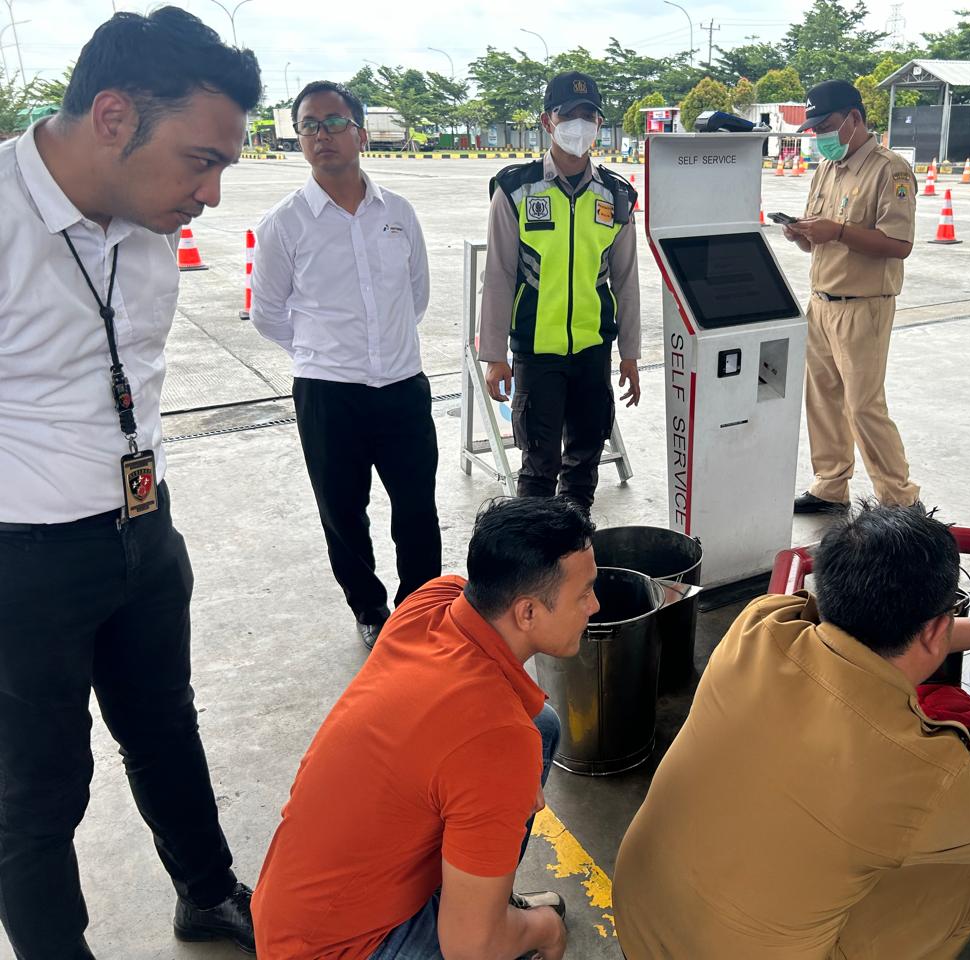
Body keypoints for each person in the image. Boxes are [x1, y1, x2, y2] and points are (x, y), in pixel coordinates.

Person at [0, 9, 261, 958]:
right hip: (21, 561)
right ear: (113, 116)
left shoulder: (151, 228)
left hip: (143, 531)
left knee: (164, 728)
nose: (212, 194)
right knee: (36, 795)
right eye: (200, 160)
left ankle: (207, 892)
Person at [614, 501, 970, 959]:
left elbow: (861, 637)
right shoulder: (921, 774)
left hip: (643, 921)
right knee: (967, 872)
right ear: (934, 628)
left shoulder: (760, 627)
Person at [252, 496, 596, 960]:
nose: (595, 605)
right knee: (491, 938)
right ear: (528, 613)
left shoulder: (436, 600)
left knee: (541, 726)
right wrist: (546, 930)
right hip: (342, 950)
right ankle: (492, 918)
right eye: (584, 593)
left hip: (289, 909)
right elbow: (471, 952)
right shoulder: (498, 741)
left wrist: (504, 787)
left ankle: (484, 904)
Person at [251, 81, 440, 649]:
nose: (321, 135)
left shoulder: (398, 213)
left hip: (403, 387)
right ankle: (370, 609)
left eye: (333, 122)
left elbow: (417, 295)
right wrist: (320, 353)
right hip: (328, 395)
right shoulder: (284, 223)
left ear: (360, 131)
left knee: (416, 508)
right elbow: (266, 313)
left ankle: (420, 607)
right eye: (309, 125)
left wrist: (381, 347)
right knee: (343, 513)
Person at [479, 71, 641, 512]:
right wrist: (494, 356)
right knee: (537, 469)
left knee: (584, 467)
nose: (580, 125)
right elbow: (497, 275)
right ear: (547, 122)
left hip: (593, 352)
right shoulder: (515, 189)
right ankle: (536, 568)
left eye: (590, 116)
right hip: (536, 352)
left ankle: (574, 555)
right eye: (570, 114)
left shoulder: (617, 195)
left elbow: (625, 279)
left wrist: (630, 353)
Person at [785, 80, 921, 515]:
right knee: (822, 398)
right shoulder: (827, 168)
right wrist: (803, 234)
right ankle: (830, 484)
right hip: (821, 301)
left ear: (854, 119)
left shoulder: (890, 170)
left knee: (863, 405)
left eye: (825, 125)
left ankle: (899, 498)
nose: (819, 136)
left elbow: (899, 244)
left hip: (864, 307)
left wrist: (838, 232)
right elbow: (819, 240)